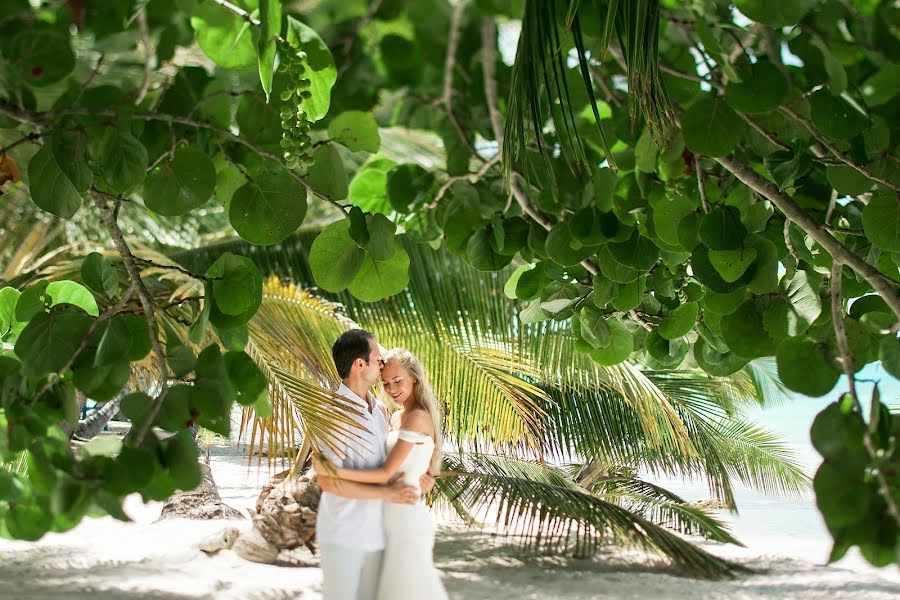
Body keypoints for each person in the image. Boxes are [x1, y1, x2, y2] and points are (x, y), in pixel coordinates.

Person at [318, 347, 448, 600]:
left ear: (414, 378)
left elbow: (386, 471)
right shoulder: (394, 416)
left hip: (404, 517)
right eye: (386, 383)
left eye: (398, 381)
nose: (392, 389)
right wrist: (423, 478)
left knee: (408, 589)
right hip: (383, 519)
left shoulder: (417, 417)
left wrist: (333, 471)